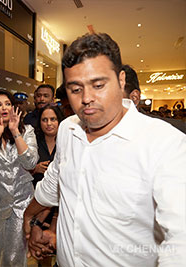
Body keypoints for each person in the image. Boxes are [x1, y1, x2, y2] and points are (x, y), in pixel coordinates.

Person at [24, 33, 186, 266]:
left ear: (121, 81)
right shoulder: (68, 129)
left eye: (98, 85)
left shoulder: (165, 144)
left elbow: (180, 242)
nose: (87, 98)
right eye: (76, 89)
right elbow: (54, 182)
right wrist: (30, 215)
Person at [0, 90, 39, 266]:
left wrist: (15, 131)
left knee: (17, 255)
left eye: (7, 103)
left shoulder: (27, 131)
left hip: (22, 201)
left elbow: (30, 162)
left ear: (13, 107)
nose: (4, 107)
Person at [31, 104, 64, 187]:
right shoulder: (33, 141)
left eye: (53, 119)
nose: (49, 123)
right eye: (44, 120)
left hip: (61, 193)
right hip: (35, 193)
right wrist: (34, 169)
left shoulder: (67, 142)